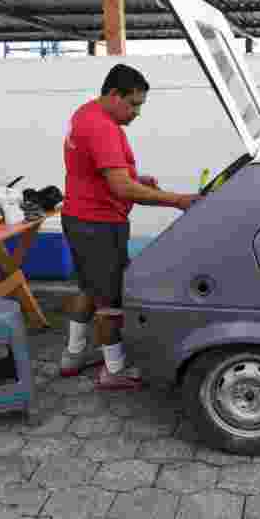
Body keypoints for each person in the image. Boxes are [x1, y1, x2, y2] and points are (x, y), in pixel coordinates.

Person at [60, 63, 201, 390]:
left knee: (89, 289)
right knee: (111, 300)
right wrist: (178, 200)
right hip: (99, 224)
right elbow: (121, 189)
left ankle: (73, 354)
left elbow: (105, 174)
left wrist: (136, 179)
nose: (137, 113)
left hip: (78, 217)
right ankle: (114, 370)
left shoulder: (86, 113)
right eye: (133, 104)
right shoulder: (103, 128)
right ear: (113, 95)